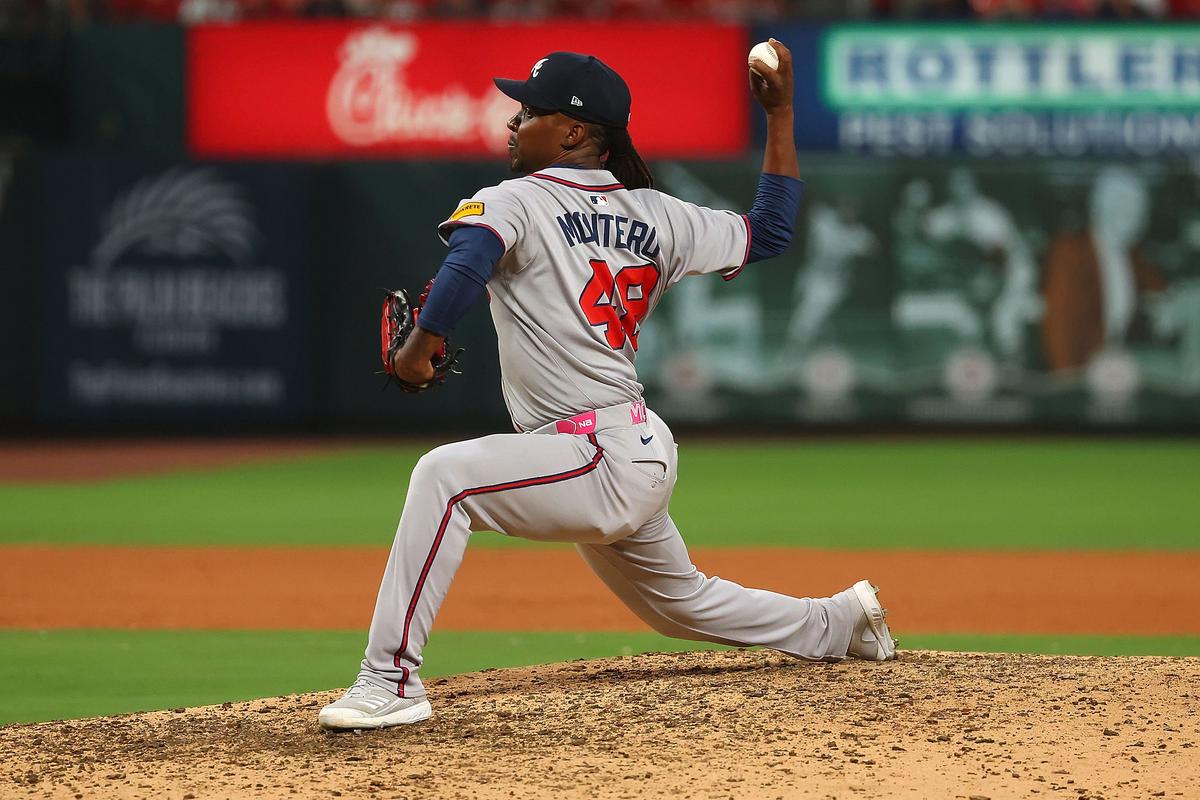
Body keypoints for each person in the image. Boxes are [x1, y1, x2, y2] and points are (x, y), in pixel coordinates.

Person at [318, 41, 896, 731]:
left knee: (444, 478)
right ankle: (839, 623)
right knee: (679, 603)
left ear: (572, 130)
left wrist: (423, 344)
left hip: (594, 454)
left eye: (529, 110)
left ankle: (389, 679)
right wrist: (780, 117)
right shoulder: (658, 214)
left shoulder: (517, 199)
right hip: (626, 447)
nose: (513, 122)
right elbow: (768, 231)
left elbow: (472, 255)